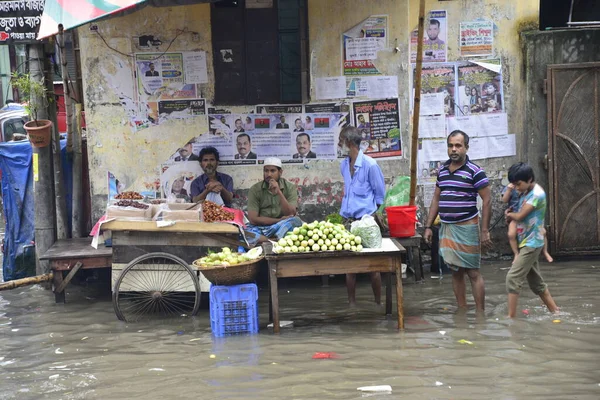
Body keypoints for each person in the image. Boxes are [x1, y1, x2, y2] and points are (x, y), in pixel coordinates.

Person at [424, 130, 492, 312]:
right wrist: (428, 226)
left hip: (467, 227)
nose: (454, 149)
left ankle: (480, 314)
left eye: (458, 145)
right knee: (455, 272)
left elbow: (487, 200)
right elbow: (436, 199)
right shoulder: (442, 171)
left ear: (466, 148)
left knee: (473, 272)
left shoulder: (475, 171)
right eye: (451, 145)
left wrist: (485, 231)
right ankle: (462, 311)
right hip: (447, 227)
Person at [338, 126, 386, 306]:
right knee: (350, 267)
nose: (338, 144)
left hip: (366, 221)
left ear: (349, 143)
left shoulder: (370, 165)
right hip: (348, 221)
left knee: (373, 266)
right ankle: (351, 305)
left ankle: (378, 303)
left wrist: (371, 218)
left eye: (340, 140)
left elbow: (380, 196)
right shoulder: (343, 165)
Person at [504, 162, 559, 318]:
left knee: (512, 278)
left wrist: (510, 215)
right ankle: (556, 312)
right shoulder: (525, 192)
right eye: (513, 184)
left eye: (518, 184)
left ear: (529, 179)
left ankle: (511, 318)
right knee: (537, 283)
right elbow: (520, 214)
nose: (515, 187)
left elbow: (520, 215)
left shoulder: (536, 194)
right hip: (526, 241)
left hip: (532, 243)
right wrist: (511, 214)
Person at [245, 157, 303, 244]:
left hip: (282, 226)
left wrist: (279, 192)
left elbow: (290, 214)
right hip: (261, 226)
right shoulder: (255, 189)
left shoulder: (290, 187)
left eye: (272, 171)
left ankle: (267, 239)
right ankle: (276, 240)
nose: (269, 174)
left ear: (280, 172)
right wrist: (279, 220)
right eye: (266, 171)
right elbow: (253, 219)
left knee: (296, 221)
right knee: (243, 233)